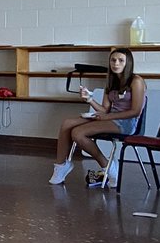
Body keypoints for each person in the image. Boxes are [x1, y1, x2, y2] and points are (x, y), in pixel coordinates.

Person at [50, 49, 146, 187]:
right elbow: (104, 109)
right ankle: (61, 166)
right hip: (110, 116)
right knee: (67, 123)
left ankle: (107, 166)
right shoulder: (111, 81)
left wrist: (108, 116)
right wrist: (89, 99)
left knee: (77, 133)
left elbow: (136, 111)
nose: (116, 63)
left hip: (126, 122)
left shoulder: (136, 81)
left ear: (128, 63)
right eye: (113, 60)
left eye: (120, 60)